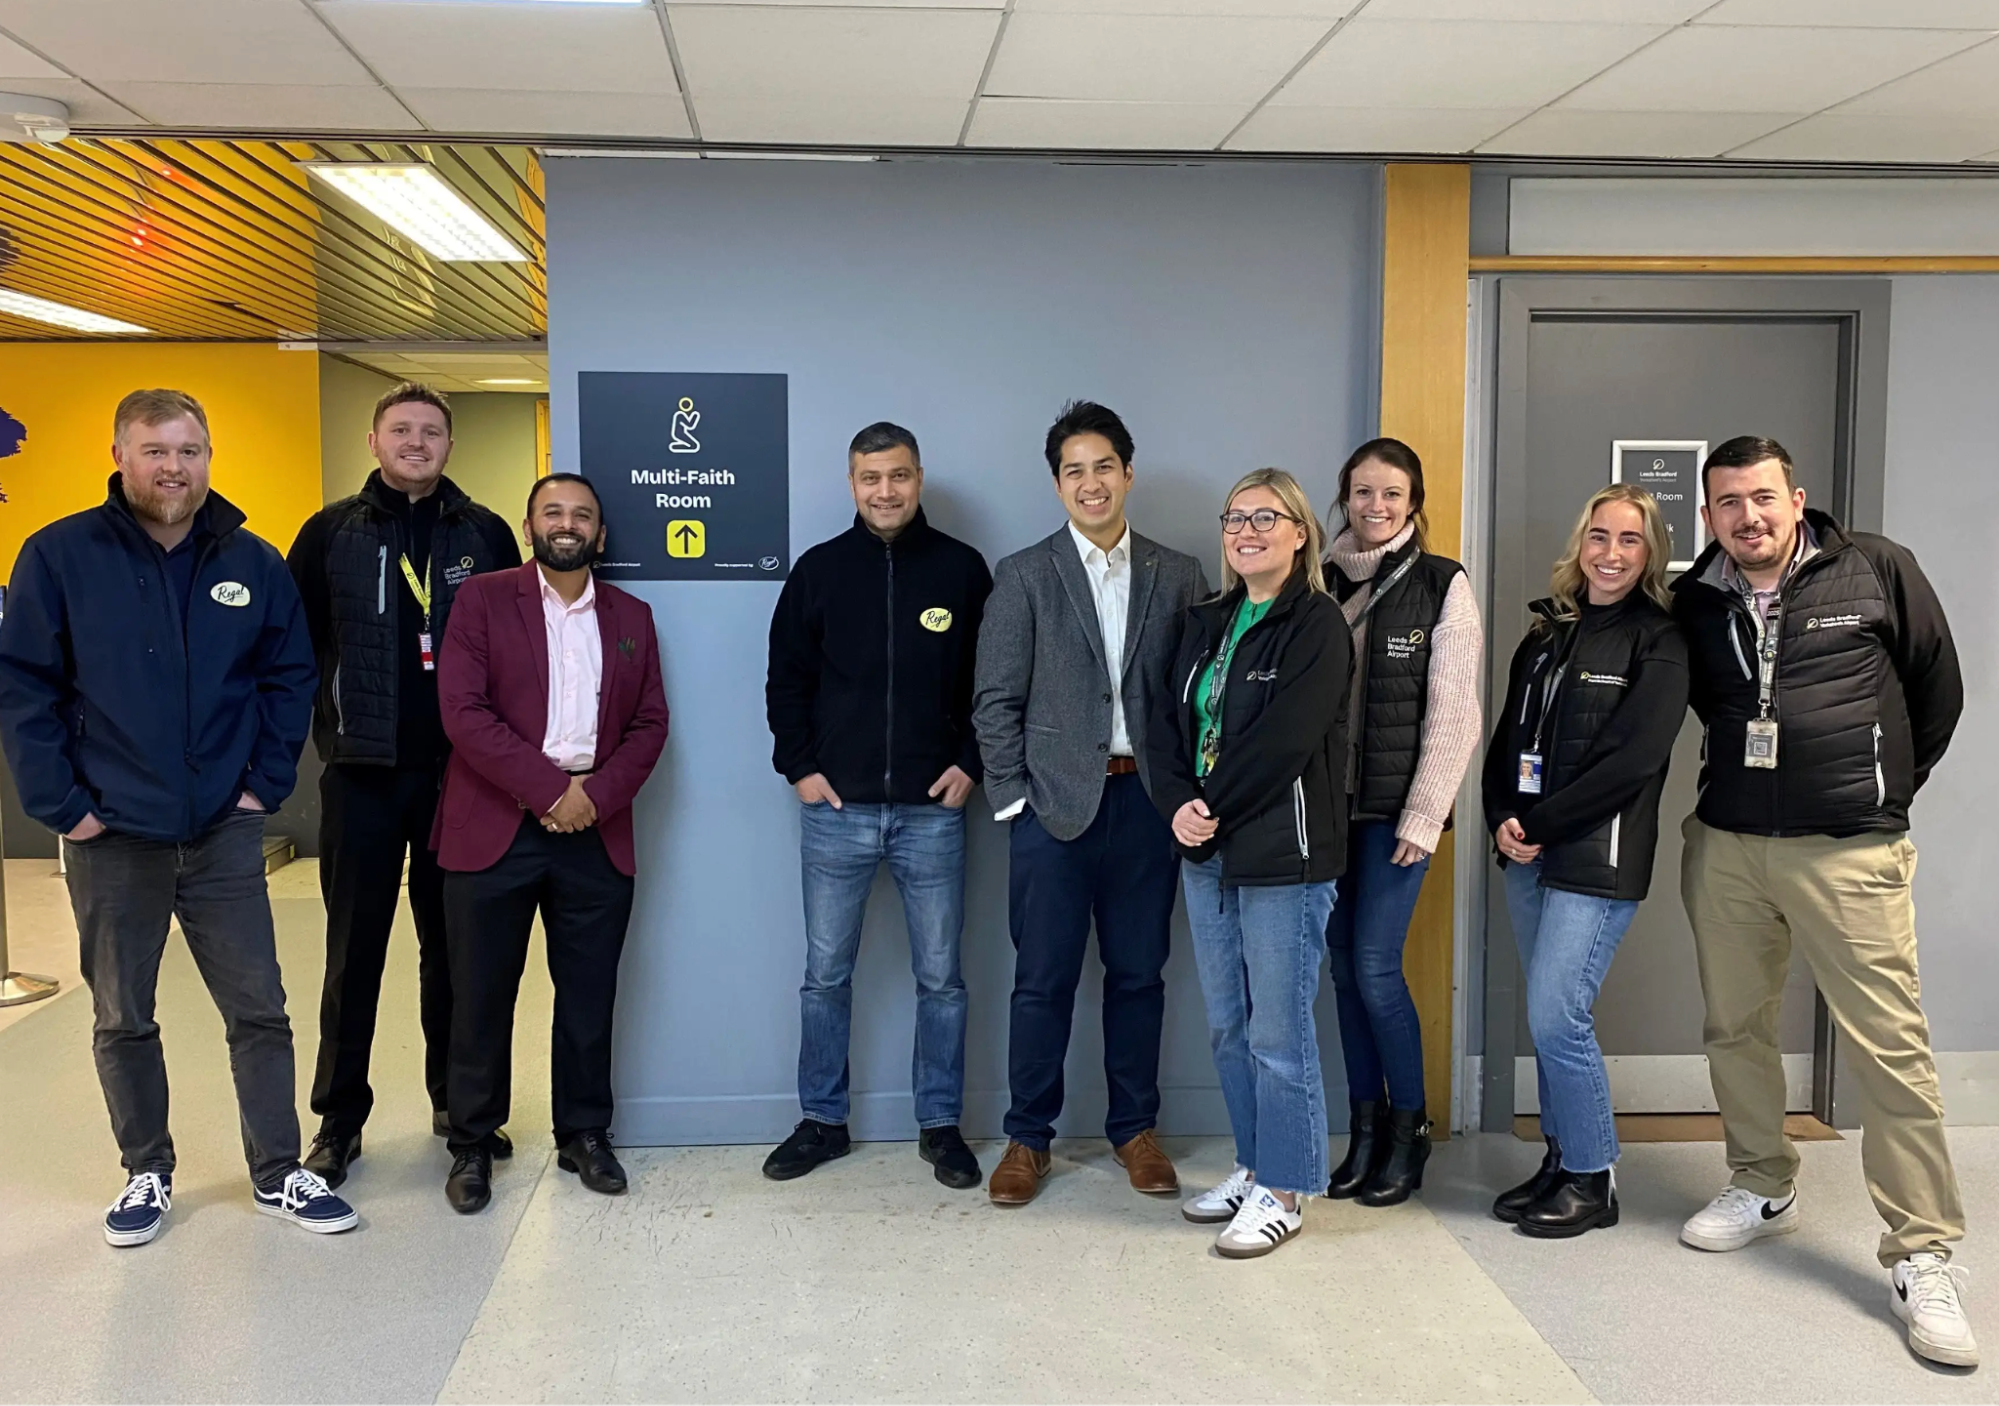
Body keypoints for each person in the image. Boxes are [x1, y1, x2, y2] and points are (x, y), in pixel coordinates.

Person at [0, 388, 356, 1244]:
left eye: (189, 450)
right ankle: (146, 1171)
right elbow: (25, 689)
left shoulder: (251, 562)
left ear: (208, 457)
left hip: (222, 833)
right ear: (120, 454)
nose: (173, 466)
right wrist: (64, 809)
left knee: (259, 1009)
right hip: (112, 835)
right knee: (124, 1014)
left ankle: (278, 1171)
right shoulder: (59, 557)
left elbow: (288, 676)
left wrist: (262, 787)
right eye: (155, 449)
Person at [1673, 436, 1973, 1367]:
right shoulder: (1695, 597)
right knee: (1734, 1025)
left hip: (1849, 852)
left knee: (1891, 1051)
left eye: (1761, 498)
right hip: (1727, 846)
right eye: (1727, 504)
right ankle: (1761, 1183)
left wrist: (1877, 792)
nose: (1747, 518)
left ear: (1795, 498)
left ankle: (1922, 1251)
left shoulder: (1875, 568)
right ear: (1709, 515)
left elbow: (1938, 691)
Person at [972, 401, 1208, 1207]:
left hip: (1149, 807)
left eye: (1103, 465)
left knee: (1140, 976)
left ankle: (1133, 1131)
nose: (1090, 481)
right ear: (1056, 484)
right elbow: (993, 701)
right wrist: (1013, 804)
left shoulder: (1179, 575)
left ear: (1127, 473)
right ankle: (1026, 1138)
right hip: (1053, 813)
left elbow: (1194, 696)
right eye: (1073, 470)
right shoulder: (1024, 574)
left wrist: (1189, 795)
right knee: (1040, 982)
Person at [286, 382, 521, 1189]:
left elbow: (514, 655)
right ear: (374, 439)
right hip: (362, 777)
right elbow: (296, 654)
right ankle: (338, 1122)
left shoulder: (484, 533)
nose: (416, 443)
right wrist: (321, 740)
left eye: (430, 432)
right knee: (354, 952)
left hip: (463, 779)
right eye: (401, 430)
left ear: (449, 445)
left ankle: (461, 1112)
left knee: (453, 952)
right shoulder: (329, 534)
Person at [761, 422, 993, 1189]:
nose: (884, 491)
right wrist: (799, 768)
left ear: (918, 478)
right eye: (870, 478)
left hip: (933, 814)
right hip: (837, 812)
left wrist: (971, 763)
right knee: (824, 976)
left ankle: (939, 1125)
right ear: (851, 482)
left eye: (897, 476)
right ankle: (822, 1121)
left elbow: (991, 686)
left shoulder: (961, 571)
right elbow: (784, 681)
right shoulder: (819, 572)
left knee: (941, 980)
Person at [433, 473, 668, 1214]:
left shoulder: (632, 615)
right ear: (529, 522)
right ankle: (471, 1142)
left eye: (582, 516)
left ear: (599, 534)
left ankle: (584, 1133)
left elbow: (650, 725)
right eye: (552, 512)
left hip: (594, 830)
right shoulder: (481, 600)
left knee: (588, 995)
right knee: (479, 995)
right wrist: (548, 791)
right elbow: (463, 712)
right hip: (495, 825)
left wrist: (589, 799)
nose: (566, 524)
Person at [1147, 469, 1351, 1258]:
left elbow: (1285, 740)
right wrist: (1176, 805)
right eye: (1235, 518)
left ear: (1300, 533)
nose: (1247, 530)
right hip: (1204, 849)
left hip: (1283, 858)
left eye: (1267, 517)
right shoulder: (1205, 620)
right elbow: (1164, 721)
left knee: (1278, 1033)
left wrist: (1212, 808)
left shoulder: (1317, 625)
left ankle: (1288, 1189)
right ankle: (1253, 1163)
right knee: (1229, 1027)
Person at [1482, 484, 1688, 1238]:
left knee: (1556, 1013)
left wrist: (1537, 820)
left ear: (1649, 552)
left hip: (1596, 858)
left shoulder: (1659, 638)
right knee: (1548, 1019)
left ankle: (1593, 1176)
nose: (1609, 554)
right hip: (1528, 850)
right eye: (1598, 537)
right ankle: (1561, 1157)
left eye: (1628, 541)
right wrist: (1500, 815)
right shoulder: (1545, 634)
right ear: (1581, 544)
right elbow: (1506, 738)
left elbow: (1632, 756)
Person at [1321, 438, 1481, 1205]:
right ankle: (1363, 1131)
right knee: (1342, 974)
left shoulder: (1442, 584)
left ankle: (1408, 1132)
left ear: (1412, 502)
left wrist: (1424, 813)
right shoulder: (1312, 578)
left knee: (1377, 969)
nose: (1374, 507)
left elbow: (1454, 714)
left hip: (1394, 817)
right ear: (1343, 499)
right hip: (1321, 817)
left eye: (1390, 494)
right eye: (1361, 493)